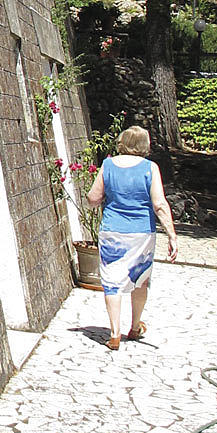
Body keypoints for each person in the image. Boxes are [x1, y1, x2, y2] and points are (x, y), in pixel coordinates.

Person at [86, 125, 178, 350]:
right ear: (145, 145)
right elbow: (159, 204)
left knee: (112, 282)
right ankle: (135, 326)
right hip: (141, 232)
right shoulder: (150, 168)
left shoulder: (108, 165)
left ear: (122, 142)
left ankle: (114, 334)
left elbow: (92, 198)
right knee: (140, 280)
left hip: (112, 231)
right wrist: (172, 235)